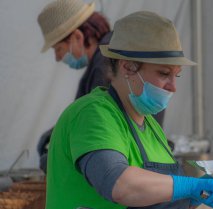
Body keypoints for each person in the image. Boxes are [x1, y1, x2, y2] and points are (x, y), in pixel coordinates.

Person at [35, 11, 213, 209]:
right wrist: (191, 186)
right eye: (164, 74)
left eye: (176, 75)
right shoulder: (93, 114)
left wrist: (209, 186)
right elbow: (118, 184)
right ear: (127, 67)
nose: (173, 87)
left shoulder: (151, 127)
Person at [35, 0, 165, 173]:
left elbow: (94, 124)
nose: (57, 58)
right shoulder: (113, 50)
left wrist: (57, 154)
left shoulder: (105, 64)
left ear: (77, 37)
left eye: (58, 48)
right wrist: (57, 131)